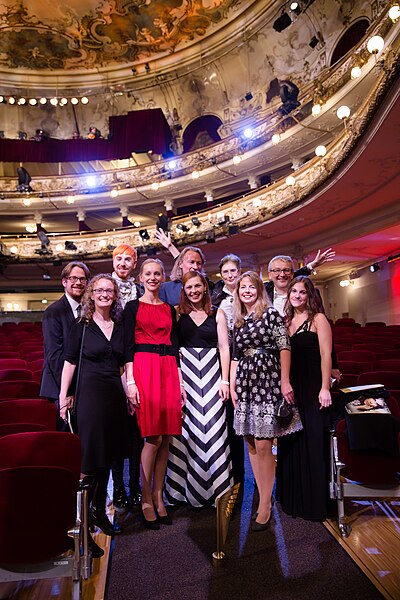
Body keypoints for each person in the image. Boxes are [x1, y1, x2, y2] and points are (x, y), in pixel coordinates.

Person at [59, 274, 129, 552]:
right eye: (99, 290)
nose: (104, 294)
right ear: (91, 294)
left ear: (115, 295)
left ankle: (99, 511)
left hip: (113, 395)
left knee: (108, 457)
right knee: (91, 462)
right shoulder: (82, 325)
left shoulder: (119, 325)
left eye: (109, 290)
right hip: (89, 396)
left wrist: (128, 393)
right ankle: (83, 523)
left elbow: (122, 365)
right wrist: (64, 396)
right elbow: (69, 362)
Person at [230, 271, 302, 531]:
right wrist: (234, 386)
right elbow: (236, 357)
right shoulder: (238, 320)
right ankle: (263, 493)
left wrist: (284, 381)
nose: (246, 291)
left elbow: (285, 346)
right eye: (242, 288)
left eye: (251, 287)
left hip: (267, 380)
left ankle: (264, 504)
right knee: (250, 443)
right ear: (237, 293)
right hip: (246, 384)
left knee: (263, 445)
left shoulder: (270, 314)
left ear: (259, 289)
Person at [123, 259, 184, 530]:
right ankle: (145, 498)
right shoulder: (132, 307)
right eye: (147, 273)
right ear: (141, 277)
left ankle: (159, 496)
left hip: (168, 370)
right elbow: (127, 347)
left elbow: (174, 346)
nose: (152, 277)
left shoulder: (170, 309)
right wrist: (131, 382)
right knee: (152, 437)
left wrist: (180, 383)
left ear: (162, 278)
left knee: (167, 437)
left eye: (157, 273)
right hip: (144, 369)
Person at [166, 270, 233, 507]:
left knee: (214, 432)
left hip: (213, 377)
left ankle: (218, 493)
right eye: (188, 288)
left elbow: (224, 348)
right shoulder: (176, 314)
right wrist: (178, 381)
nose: (193, 291)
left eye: (197, 286)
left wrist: (224, 380)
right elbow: (173, 350)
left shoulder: (218, 313)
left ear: (205, 287)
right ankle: (182, 492)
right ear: (183, 290)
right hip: (185, 378)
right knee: (185, 434)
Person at [276, 276, 332, 521]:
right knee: (292, 443)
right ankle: (293, 500)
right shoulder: (285, 321)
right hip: (292, 389)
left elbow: (326, 355)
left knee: (312, 444)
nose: (297, 296)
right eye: (294, 292)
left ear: (310, 296)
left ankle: (314, 504)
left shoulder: (318, 319)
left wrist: (325, 388)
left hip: (312, 388)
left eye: (302, 292)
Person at [266, 250, 340, 382]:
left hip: (304, 359)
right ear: (269, 274)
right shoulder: (262, 294)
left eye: (286, 270)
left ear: (292, 274)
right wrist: (310, 266)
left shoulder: (311, 294)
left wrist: (333, 365)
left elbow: (325, 332)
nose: (281, 274)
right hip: (273, 360)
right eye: (276, 270)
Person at [110, 244, 143, 510]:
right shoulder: (101, 287)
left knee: (135, 430)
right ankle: (118, 488)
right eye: (119, 259)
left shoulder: (140, 289)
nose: (123, 263)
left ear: (134, 264)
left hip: (137, 361)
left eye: (128, 260)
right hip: (111, 363)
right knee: (115, 431)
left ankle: (135, 486)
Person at [40, 261, 90, 430]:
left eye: (82, 279)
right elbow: (54, 355)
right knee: (68, 442)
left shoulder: (88, 310)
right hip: (60, 387)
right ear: (64, 282)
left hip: (81, 385)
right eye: (73, 278)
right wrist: (67, 391)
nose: (78, 283)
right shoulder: (54, 311)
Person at [211, 253, 245, 484]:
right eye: (226, 272)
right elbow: (191, 273)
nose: (230, 275)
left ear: (239, 271)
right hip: (223, 356)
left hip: (246, 356)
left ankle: (244, 474)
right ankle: (230, 472)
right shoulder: (215, 294)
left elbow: (278, 282)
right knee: (229, 416)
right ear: (220, 275)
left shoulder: (248, 291)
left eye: (233, 271)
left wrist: (309, 267)